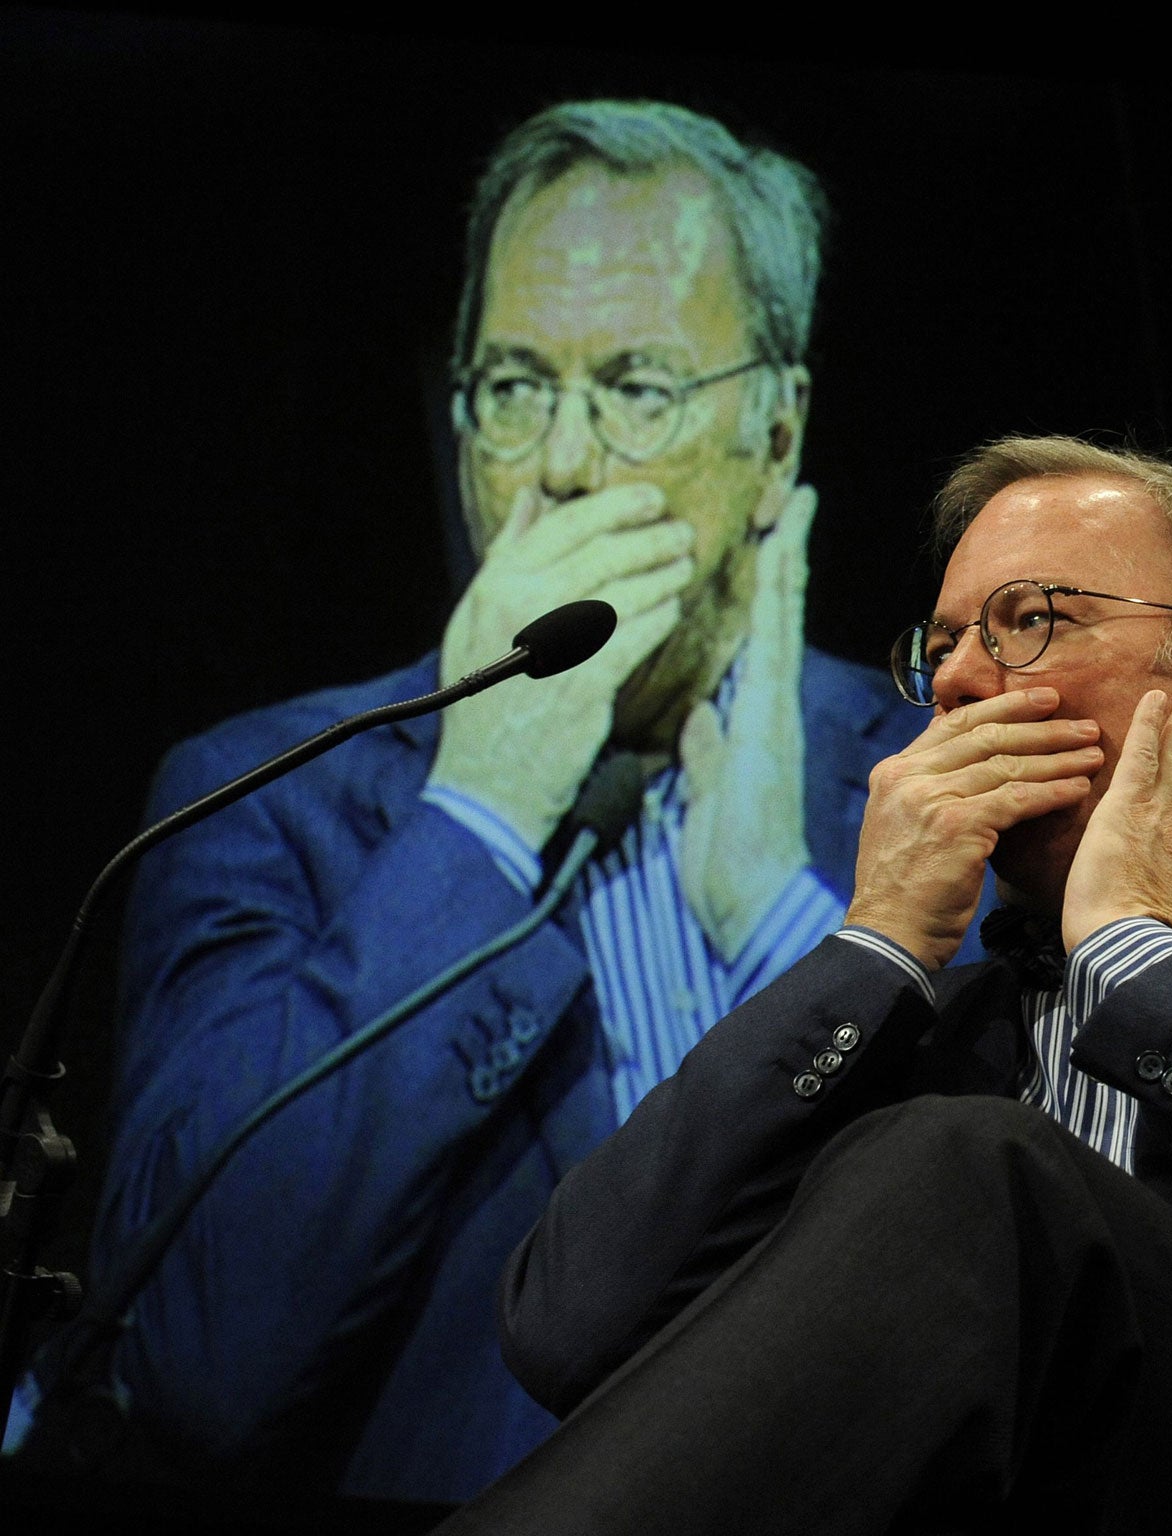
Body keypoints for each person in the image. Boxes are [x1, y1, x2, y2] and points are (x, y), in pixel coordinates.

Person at [447, 436, 1172, 1533]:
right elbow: (573, 1325)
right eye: (939, 649)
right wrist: (874, 945)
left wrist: (1129, 950)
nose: (960, 683)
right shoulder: (909, 1043)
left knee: (976, 1165)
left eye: (1027, 620)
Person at [13, 99, 944, 1504]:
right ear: (459, 422)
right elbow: (200, 1370)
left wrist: (784, 921)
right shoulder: (255, 804)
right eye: (514, 388)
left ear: (774, 428)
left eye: (637, 387)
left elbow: (1042, 1272)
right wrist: (480, 816)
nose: (561, 464)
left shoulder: (942, 773)